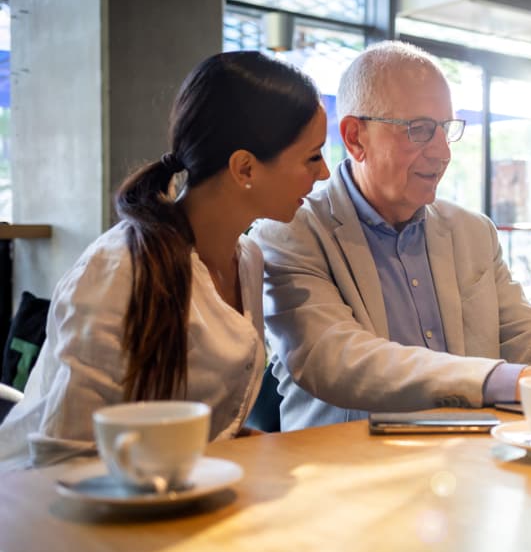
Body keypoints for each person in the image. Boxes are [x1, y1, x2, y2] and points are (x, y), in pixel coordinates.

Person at [251, 41, 531, 431]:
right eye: (420, 130)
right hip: (347, 475)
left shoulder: (472, 231)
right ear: (355, 138)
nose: (442, 153)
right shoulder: (291, 231)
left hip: (467, 464)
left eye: (446, 130)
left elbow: (522, 333)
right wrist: (515, 383)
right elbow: (337, 359)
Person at [0, 51, 330, 469]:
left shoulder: (247, 260)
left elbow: (205, 424)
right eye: (313, 157)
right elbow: (66, 455)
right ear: (245, 168)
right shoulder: (122, 269)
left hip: (168, 494)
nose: (325, 175)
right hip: (44, 511)